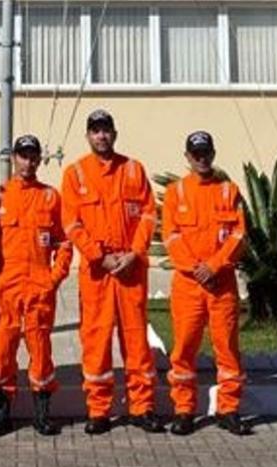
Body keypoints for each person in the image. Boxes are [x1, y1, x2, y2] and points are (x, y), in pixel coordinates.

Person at [60, 109, 165, 435]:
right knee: (96, 340)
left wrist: (134, 253)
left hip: (131, 270)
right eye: (95, 131)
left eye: (106, 130)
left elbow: (148, 215)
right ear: (88, 136)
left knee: (136, 341)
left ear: (114, 134)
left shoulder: (134, 170)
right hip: (98, 273)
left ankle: (142, 407)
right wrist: (98, 256)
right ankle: (99, 410)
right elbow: (71, 223)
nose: (101, 136)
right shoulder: (75, 174)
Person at [161, 131, 250, 436]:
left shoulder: (230, 191)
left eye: (206, 153)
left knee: (227, 349)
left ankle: (229, 409)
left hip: (221, 283)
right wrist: (195, 268)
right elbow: (170, 236)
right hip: (188, 285)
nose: (201, 159)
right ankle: (184, 410)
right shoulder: (176, 193)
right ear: (187, 157)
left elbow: (239, 235)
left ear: (213, 154)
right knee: (184, 349)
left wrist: (214, 266)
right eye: (195, 154)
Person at [0, 134, 73, 437]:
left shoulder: (51, 197)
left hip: (39, 286)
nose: (28, 161)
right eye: (23, 155)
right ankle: (1, 413)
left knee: (41, 349)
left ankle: (42, 413)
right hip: (5, 286)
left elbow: (63, 243)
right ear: (13, 158)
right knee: (3, 350)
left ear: (39, 159)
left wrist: (54, 277)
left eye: (33, 156)